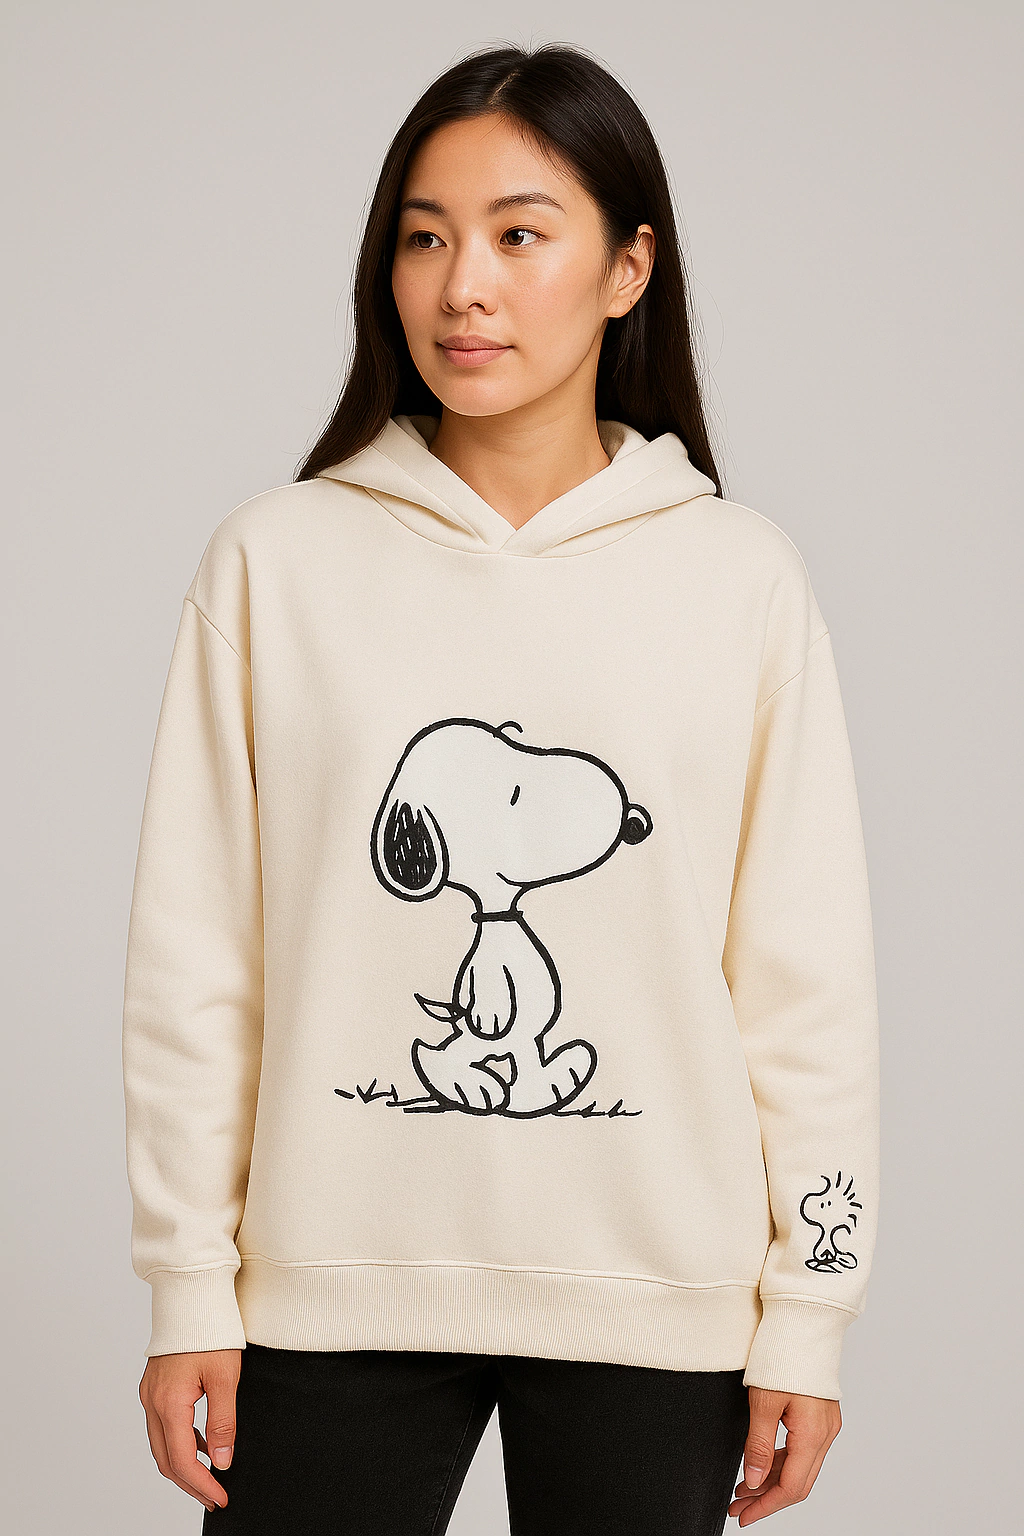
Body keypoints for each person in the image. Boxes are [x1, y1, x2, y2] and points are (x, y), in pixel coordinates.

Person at [121, 42, 880, 1536]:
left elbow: (804, 981)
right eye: (425, 238)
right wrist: (187, 1284)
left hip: (656, 1297)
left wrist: (811, 1311)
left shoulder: (739, 579)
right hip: (326, 1289)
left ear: (627, 268)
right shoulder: (278, 561)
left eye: (519, 235)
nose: (463, 287)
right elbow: (197, 959)